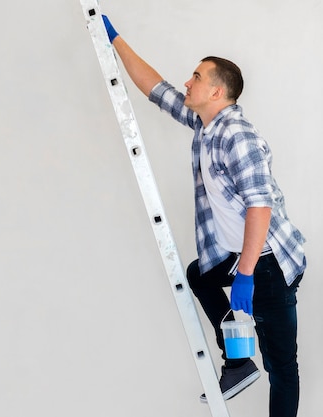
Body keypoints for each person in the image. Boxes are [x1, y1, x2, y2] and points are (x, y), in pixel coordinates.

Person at [100, 15, 306, 417]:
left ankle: (244, 361)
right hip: (242, 260)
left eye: (196, 77)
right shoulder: (206, 124)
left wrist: (245, 274)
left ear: (216, 90)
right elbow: (156, 89)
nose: (187, 82)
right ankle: (238, 359)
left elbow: (259, 206)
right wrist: (114, 40)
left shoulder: (237, 135)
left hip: (267, 266)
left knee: (282, 367)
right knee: (199, 274)